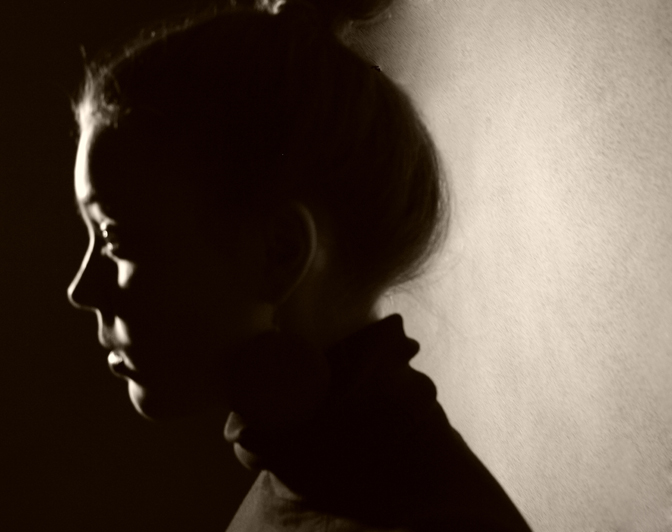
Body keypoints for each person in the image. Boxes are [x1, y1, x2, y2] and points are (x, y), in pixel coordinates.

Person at [66, 0, 534, 530]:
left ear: (280, 252)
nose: (81, 290)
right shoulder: (299, 473)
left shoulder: (433, 518)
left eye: (114, 237)